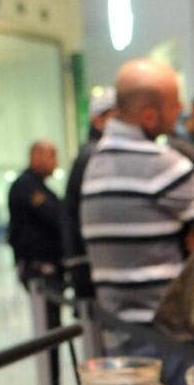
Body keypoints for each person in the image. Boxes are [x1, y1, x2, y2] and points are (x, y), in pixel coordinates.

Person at [80, 59, 194, 385]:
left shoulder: (95, 161)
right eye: (175, 104)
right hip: (165, 335)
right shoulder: (161, 163)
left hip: (119, 332)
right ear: (149, 116)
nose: (182, 110)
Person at [8, 140, 69, 385]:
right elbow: (56, 216)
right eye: (51, 155)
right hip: (38, 273)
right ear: (35, 156)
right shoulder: (26, 186)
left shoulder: (41, 186)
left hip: (51, 272)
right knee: (47, 336)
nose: (55, 161)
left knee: (53, 334)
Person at [62, 84, 116, 263]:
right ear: (98, 120)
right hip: (90, 259)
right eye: (115, 116)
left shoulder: (94, 152)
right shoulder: (94, 155)